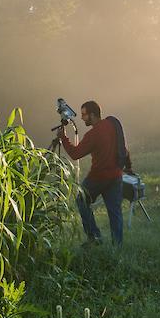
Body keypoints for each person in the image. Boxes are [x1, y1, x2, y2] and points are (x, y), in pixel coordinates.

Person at [58, 100, 128, 246]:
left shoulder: (93, 135)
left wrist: (63, 138)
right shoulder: (112, 124)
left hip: (98, 178)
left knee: (81, 200)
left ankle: (94, 237)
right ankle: (118, 246)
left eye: (84, 115)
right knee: (115, 212)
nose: (82, 118)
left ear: (92, 115)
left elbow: (75, 153)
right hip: (116, 176)